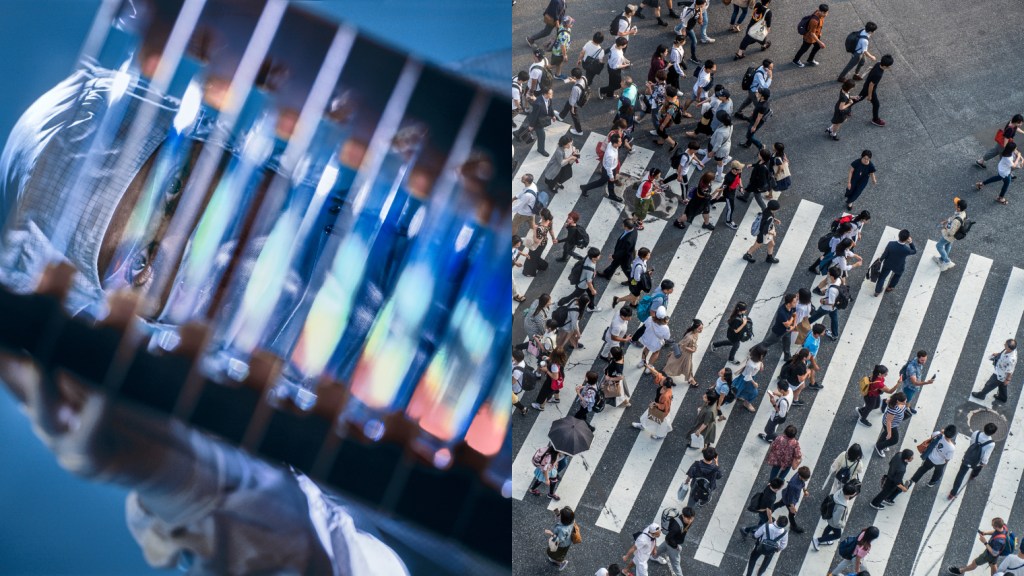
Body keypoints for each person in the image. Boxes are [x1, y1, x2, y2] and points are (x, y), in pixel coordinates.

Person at [948, 422, 998, 500]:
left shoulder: (976, 433)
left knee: (960, 475)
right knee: (977, 469)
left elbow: (971, 442)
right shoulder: (991, 444)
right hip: (977, 462)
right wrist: (984, 463)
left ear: (984, 427)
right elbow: (986, 457)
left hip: (968, 457)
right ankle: (973, 475)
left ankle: (952, 493)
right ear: (993, 433)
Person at [632, 364, 676, 440]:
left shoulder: (666, 396)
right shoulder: (666, 384)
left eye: (662, 380)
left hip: (662, 411)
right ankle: (643, 425)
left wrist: (655, 404)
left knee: (661, 423)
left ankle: (661, 435)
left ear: (664, 386)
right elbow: (658, 374)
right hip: (656, 406)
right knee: (648, 416)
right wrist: (650, 368)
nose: (661, 379)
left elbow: (664, 407)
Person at [811, 482, 858, 549]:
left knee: (829, 527)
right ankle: (818, 540)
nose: (854, 494)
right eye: (853, 493)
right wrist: (842, 524)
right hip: (834, 522)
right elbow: (836, 521)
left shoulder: (840, 491)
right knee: (837, 535)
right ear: (849, 494)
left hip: (830, 516)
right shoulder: (841, 507)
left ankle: (824, 538)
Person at [851, 54, 893, 127]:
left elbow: (871, 68)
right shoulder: (878, 74)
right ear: (885, 66)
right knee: (876, 104)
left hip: (866, 86)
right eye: (889, 66)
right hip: (869, 89)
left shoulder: (878, 64)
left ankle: (846, 106)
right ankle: (875, 120)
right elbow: (871, 85)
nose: (890, 67)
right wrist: (870, 96)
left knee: (859, 98)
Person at [973, 339, 1018, 403]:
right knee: (1002, 385)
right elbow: (1004, 353)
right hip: (1000, 370)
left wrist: (1007, 380)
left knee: (989, 385)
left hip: (1000, 374)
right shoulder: (1012, 349)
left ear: (1009, 348)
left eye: (1006, 345)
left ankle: (981, 395)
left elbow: (1010, 371)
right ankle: (1002, 397)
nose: (1004, 345)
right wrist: (998, 354)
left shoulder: (1011, 360)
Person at [581, 134, 624, 201]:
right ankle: (585, 188)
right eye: (620, 142)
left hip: (612, 167)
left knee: (610, 182)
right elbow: (608, 168)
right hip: (608, 170)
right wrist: (611, 177)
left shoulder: (611, 144)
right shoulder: (610, 155)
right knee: (601, 182)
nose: (621, 142)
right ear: (615, 143)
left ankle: (612, 195)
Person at [516, 86, 557, 156]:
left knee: (528, 128)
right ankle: (540, 150)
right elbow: (535, 115)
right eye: (550, 94)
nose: (552, 95)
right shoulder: (538, 103)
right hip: (538, 122)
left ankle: (517, 133)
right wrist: (532, 125)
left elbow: (550, 107)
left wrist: (553, 115)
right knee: (542, 136)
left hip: (542, 119)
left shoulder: (549, 99)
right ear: (545, 94)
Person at [874, 229, 916, 296]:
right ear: (907, 239)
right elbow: (914, 251)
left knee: (882, 277)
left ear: (899, 235)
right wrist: (911, 242)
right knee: (897, 275)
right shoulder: (906, 250)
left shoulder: (891, 244)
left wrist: (880, 260)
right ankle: (890, 287)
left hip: (888, 263)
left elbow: (885, 254)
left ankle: (877, 291)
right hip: (898, 265)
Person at [652, 507, 694, 576]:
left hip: (672, 540)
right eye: (688, 519)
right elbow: (668, 538)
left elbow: (668, 538)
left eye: (692, 518)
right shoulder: (676, 527)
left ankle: (653, 556)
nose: (690, 521)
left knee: (664, 546)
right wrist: (675, 546)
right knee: (676, 563)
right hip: (672, 543)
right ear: (683, 516)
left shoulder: (687, 520)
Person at [808, 266, 845, 340]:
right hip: (835, 306)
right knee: (834, 319)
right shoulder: (839, 279)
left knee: (815, 316)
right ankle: (835, 335)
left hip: (826, 307)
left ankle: (803, 325)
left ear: (832, 276)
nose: (827, 274)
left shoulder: (832, 290)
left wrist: (822, 301)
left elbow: (831, 302)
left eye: (829, 273)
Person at [558, 247, 600, 311]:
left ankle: (591, 307)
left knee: (591, 294)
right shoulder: (590, 268)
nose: (600, 256)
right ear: (594, 258)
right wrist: (593, 290)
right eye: (598, 255)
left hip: (583, 280)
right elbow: (589, 282)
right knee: (573, 296)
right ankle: (560, 303)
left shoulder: (588, 257)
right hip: (583, 285)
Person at [758, 292, 796, 361]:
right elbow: (787, 324)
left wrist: (793, 325)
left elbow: (794, 314)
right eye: (794, 302)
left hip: (787, 331)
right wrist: (792, 320)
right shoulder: (782, 312)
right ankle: (754, 351)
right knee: (766, 343)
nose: (796, 303)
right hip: (778, 333)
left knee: (787, 344)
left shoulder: (792, 307)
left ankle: (787, 357)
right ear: (789, 303)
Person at [664, 319, 703, 386]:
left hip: (686, 353)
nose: (701, 330)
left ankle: (690, 379)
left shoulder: (694, 333)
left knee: (677, 363)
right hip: (685, 353)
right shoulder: (689, 337)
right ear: (695, 328)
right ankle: (691, 380)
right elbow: (684, 346)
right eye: (699, 329)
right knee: (687, 366)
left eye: (702, 328)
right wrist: (693, 349)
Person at [743, 199, 782, 264]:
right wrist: (772, 232)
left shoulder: (766, 210)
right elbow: (765, 230)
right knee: (757, 245)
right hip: (763, 234)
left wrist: (774, 220)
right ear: (774, 209)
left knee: (772, 244)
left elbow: (765, 218)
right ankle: (747, 254)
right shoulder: (770, 217)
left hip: (763, 232)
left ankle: (769, 257)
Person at [934, 197, 968, 272]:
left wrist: (945, 227)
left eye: (956, 204)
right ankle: (942, 259)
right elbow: (953, 218)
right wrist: (946, 221)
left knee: (939, 246)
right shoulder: (963, 213)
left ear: (959, 208)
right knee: (948, 245)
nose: (955, 205)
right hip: (956, 234)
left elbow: (951, 233)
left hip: (950, 236)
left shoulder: (956, 221)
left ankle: (947, 261)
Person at [775, 466, 811, 534]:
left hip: (787, 495)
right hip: (790, 500)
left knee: (781, 503)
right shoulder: (793, 485)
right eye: (805, 479)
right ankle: (793, 526)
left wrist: (804, 490)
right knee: (791, 514)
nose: (806, 480)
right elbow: (790, 498)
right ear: (801, 476)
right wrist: (792, 507)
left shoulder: (799, 473)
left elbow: (802, 483)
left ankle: (770, 508)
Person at [522, 209, 556, 277]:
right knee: (535, 257)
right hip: (544, 242)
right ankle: (543, 266)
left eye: (540, 214)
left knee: (531, 258)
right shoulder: (549, 221)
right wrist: (553, 238)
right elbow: (551, 231)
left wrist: (534, 229)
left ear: (543, 216)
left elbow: (536, 241)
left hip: (538, 245)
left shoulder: (540, 228)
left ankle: (529, 272)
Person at [900, 349, 935, 414]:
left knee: (908, 399)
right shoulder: (912, 368)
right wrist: (927, 382)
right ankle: (905, 409)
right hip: (909, 388)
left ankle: (908, 407)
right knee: (904, 400)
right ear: (918, 358)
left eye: (925, 359)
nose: (924, 362)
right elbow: (915, 383)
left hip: (912, 387)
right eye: (922, 360)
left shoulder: (918, 361)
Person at [734, 345, 766, 412]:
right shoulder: (751, 365)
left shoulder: (754, 358)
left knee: (740, 389)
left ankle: (740, 397)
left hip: (747, 377)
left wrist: (761, 363)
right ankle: (747, 403)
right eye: (762, 355)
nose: (763, 357)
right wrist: (754, 383)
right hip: (747, 379)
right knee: (754, 393)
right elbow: (748, 376)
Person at [544, 506, 576, 571]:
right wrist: (557, 513)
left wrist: (551, 534)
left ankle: (561, 562)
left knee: (554, 554)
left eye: (561, 515)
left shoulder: (562, 529)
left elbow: (560, 540)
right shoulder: (571, 521)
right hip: (567, 541)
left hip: (562, 545)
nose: (559, 516)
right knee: (558, 554)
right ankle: (557, 560)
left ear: (563, 519)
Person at [558, 70, 588, 136]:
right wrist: (573, 80)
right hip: (580, 96)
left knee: (574, 115)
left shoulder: (575, 88)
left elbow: (573, 100)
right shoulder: (584, 78)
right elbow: (581, 85)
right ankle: (561, 116)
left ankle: (579, 131)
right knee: (567, 104)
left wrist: (572, 108)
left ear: (574, 77)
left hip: (575, 103)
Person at [512, 349, 530, 415]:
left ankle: (523, 409)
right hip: (516, 385)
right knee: (513, 399)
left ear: (515, 358)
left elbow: (513, 382)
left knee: (513, 399)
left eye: (512, 356)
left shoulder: (517, 371)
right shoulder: (520, 361)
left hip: (515, 387)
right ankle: (523, 409)